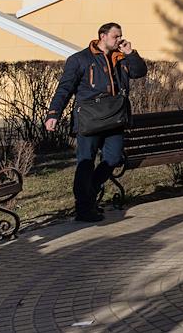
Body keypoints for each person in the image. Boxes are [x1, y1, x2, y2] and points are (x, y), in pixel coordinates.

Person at [45, 22, 148, 222]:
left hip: (114, 117)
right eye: (115, 36)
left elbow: (139, 72)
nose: (119, 40)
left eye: (120, 36)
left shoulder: (121, 57)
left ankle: (88, 195)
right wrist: (53, 114)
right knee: (86, 162)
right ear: (102, 36)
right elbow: (65, 88)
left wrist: (131, 53)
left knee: (114, 158)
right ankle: (84, 208)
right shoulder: (80, 59)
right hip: (89, 119)